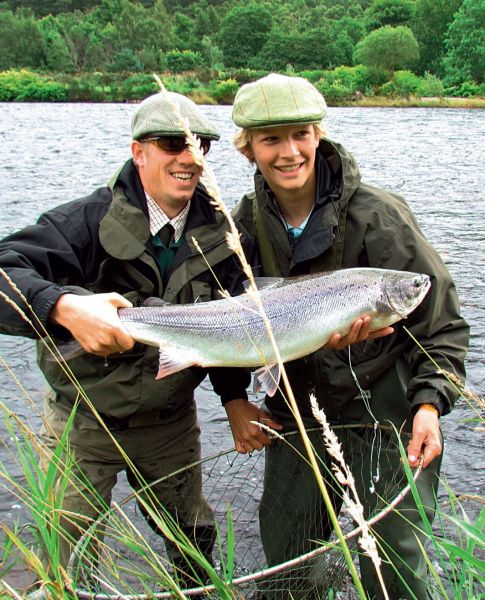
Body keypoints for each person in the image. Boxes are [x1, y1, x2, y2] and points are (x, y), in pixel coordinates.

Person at [0, 90, 260, 588]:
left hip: (170, 424)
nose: (189, 157)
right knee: (61, 552)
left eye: (201, 144)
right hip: (83, 423)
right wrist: (62, 306)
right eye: (172, 144)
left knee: (193, 541)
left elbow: (230, 327)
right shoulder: (82, 222)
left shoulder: (227, 237)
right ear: (138, 151)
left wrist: (234, 400)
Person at [226, 74, 469, 599]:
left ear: (318, 135)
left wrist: (428, 406)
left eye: (300, 135)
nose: (288, 152)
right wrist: (232, 398)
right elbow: (225, 325)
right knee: (290, 565)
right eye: (271, 140)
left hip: (387, 417)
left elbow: (443, 324)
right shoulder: (240, 224)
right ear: (248, 149)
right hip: (296, 418)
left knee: (393, 568)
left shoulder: (379, 216)